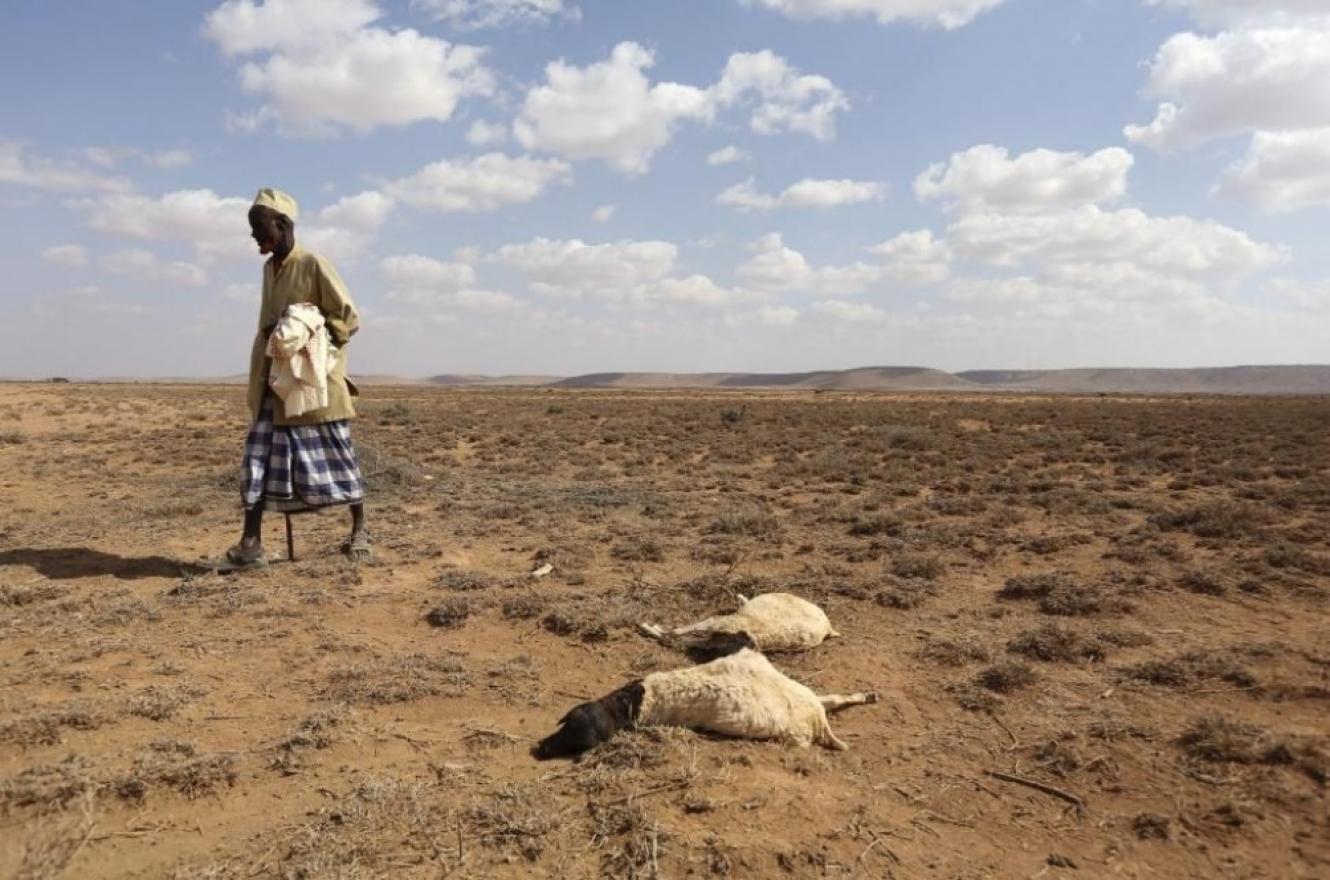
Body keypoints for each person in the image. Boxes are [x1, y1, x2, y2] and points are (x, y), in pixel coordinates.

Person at [202, 188, 369, 570]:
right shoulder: (268, 269)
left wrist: (309, 334)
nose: (254, 236)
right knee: (257, 459)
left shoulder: (313, 263)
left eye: (259, 227)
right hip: (272, 382)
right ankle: (251, 544)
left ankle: (361, 531)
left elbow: (348, 317)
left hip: (312, 383)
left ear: (283, 223)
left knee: (337, 453)